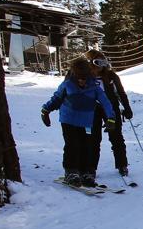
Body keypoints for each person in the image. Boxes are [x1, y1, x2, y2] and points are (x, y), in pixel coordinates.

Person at [41, 58, 116, 187]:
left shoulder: (95, 88)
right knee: (72, 145)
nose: (82, 81)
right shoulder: (67, 85)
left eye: (84, 78)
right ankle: (71, 172)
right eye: (79, 78)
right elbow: (56, 99)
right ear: (74, 75)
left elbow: (106, 103)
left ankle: (85, 172)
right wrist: (45, 110)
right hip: (68, 120)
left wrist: (111, 118)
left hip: (86, 122)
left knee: (87, 146)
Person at [85, 49, 134, 179]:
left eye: (103, 62)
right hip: (92, 110)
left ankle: (122, 164)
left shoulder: (111, 76)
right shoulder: (86, 76)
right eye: (97, 62)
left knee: (116, 136)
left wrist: (127, 108)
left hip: (111, 109)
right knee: (93, 139)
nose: (101, 66)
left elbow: (121, 93)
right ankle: (91, 168)